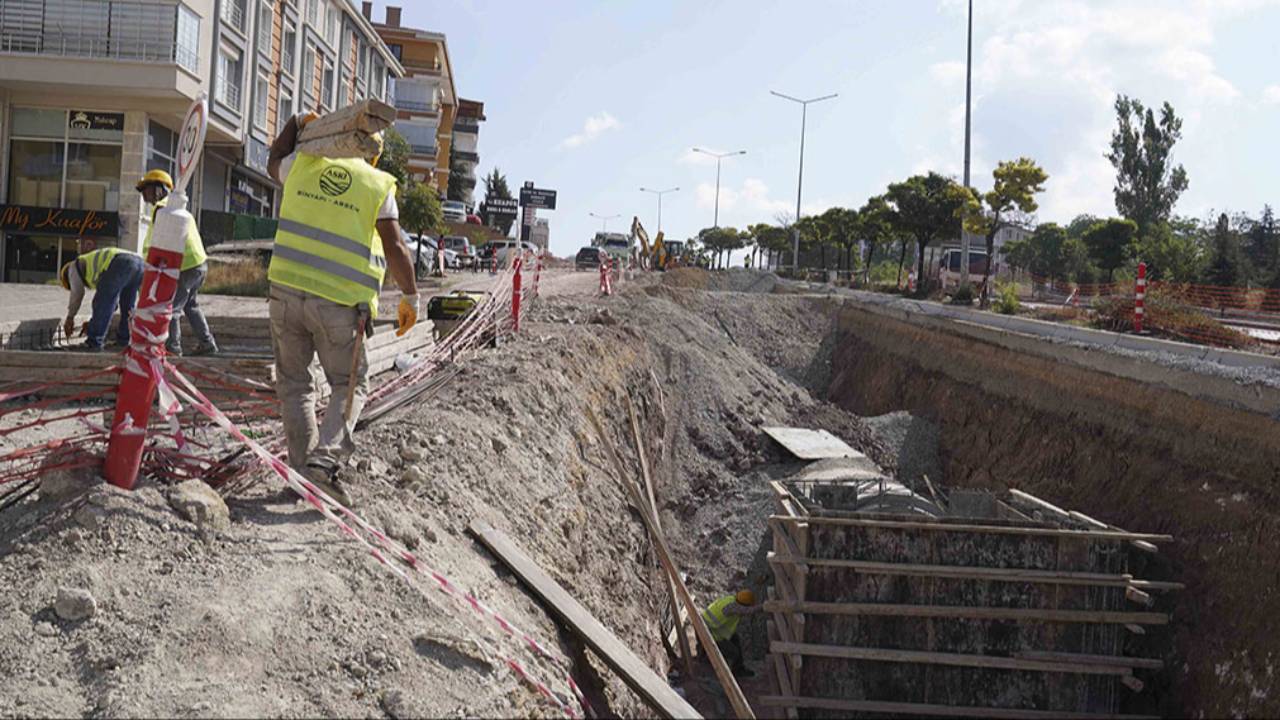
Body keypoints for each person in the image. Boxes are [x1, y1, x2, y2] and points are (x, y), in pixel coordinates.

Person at [266, 112, 418, 506]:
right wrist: (411, 296)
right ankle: (324, 462)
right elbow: (396, 247)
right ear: (374, 154)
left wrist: (296, 123)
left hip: (284, 294)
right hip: (338, 304)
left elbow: (273, 157)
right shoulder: (376, 184)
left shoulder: (302, 165)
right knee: (350, 385)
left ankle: (303, 475)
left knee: (296, 385)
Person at [137, 169, 218, 356]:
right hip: (198, 265)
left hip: (186, 265)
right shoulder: (177, 208)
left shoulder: (164, 210)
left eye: (147, 191)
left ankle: (173, 348)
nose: (145, 196)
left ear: (160, 189)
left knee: (172, 308)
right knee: (191, 305)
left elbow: (161, 242)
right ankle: (207, 344)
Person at [59, 247, 144, 352]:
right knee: (127, 305)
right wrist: (93, 324)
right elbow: (113, 305)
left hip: (120, 261)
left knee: (101, 302)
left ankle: (93, 342)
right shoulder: (93, 266)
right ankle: (124, 340)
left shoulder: (72, 268)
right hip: (139, 263)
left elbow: (77, 293)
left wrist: (70, 318)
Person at [701, 589, 760, 677]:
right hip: (710, 632)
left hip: (707, 626)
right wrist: (763, 606)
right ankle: (713, 665)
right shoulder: (734, 607)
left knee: (735, 639)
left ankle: (739, 669)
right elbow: (747, 611)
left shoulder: (731, 599)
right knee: (733, 652)